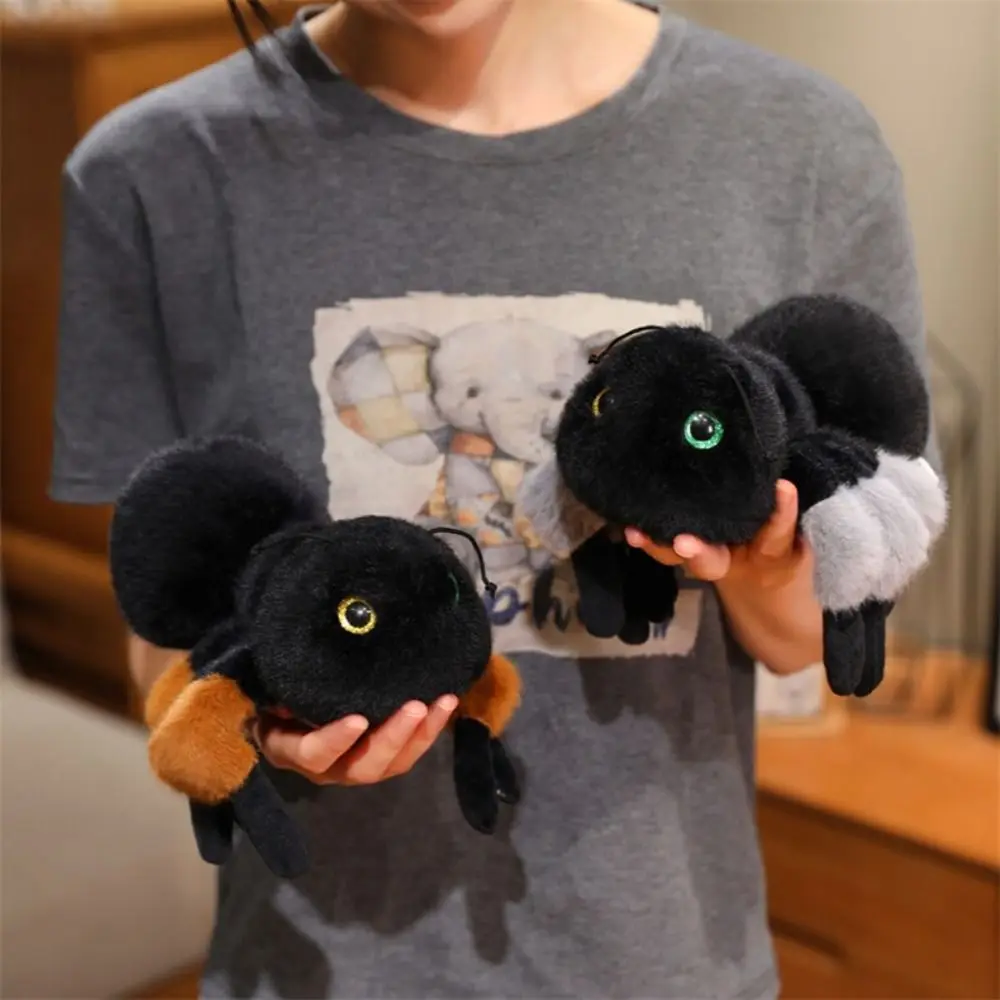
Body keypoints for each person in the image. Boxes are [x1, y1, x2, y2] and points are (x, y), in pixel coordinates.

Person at [50, 1, 933, 997]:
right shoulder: (152, 172)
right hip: (309, 972)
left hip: (660, 963)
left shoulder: (801, 149)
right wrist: (259, 722)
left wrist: (765, 563)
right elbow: (165, 625)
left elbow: (807, 639)